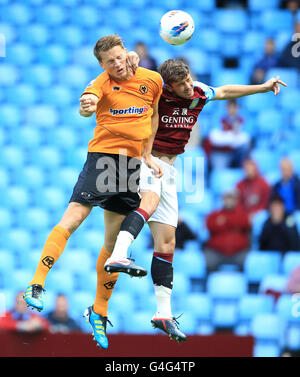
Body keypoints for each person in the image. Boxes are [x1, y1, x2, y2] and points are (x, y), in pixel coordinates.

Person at [106, 58, 287, 342]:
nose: (189, 87)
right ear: (170, 87)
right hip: (145, 161)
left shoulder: (199, 92)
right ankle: (119, 253)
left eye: (189, 80)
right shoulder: (156, 95)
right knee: (149, 202)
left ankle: (163, 314)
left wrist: (263, 87)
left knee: (167, 242)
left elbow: (225, 91)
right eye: (182, 85)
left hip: (169, 168)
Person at [23, 34, 163, 350]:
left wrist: (149, 154)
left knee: (115, 246)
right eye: (109, 62)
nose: (116, 64)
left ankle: (98, 311)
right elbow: (88, 106)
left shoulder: (152, 80)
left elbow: (152, 116)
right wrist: (88, 105)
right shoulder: (100, 83)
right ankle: (36, 284)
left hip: (130, 167)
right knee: (73, 219)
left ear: (127, 52)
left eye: (119, 57)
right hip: (102, 161)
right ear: (102, 65)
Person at [203, 189, 251, 272]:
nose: (229, 201)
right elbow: (209, 225)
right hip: (216, 252)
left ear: (236, 200)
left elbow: (245, 223)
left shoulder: (242, 214)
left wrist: (224, 222)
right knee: (208, 262)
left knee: (248, 263)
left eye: (231, 198)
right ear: (222, 200)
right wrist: (234, 225)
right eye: (226, 198)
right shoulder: (215, 214)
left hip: (239, 253)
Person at [207, 99, 250, 169]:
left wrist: (225, 136)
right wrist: (234, 136)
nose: (232, 110)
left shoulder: (243, 120)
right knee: (219, 167)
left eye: (234, 107)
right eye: (230, 107)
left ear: (238, 109)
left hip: (237, 152)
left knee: (245, 147)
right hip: (222, 152)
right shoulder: (219, 118)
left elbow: (246, 139)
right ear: (226, 108)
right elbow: (214, 138)